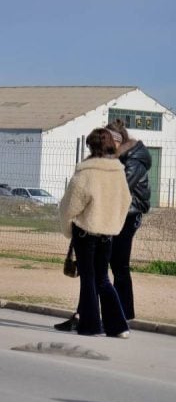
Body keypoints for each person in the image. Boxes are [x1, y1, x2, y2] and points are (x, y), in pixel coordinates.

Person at [56, 122, 151, 330]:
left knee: (114, 269)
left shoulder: (130, 162)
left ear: (117, 140)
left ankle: (120, 317)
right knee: (98, 273)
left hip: (122, 219)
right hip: (111, 219)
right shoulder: (114, 163)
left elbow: (113, 194)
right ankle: (93, 318)